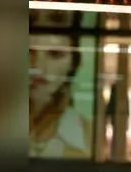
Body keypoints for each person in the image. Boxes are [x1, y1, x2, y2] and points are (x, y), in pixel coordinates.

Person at [29, 10, 93, 159]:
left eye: (55, 54)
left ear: (73, 63)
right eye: (29, 52)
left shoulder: (85, 130)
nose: (38, 66)